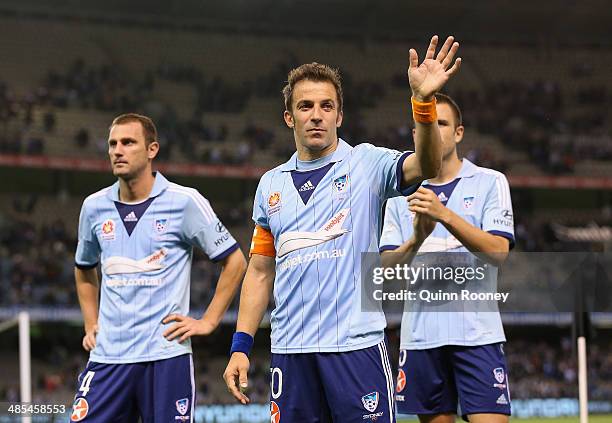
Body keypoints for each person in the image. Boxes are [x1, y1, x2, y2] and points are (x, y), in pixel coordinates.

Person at [223, 35, 461, 422]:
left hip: (355, 349)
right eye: (305, 106)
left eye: (326, 106)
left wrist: (423, 103)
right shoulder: (271, 185)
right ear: (289, 117)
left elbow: (428, 166)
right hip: (291, 351)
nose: (316, 114)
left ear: (339, 115)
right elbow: (260, 271)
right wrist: (240, 346)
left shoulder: (367, 164)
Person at [70, 113, 247, 422]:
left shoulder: (185, 201)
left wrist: (209, 321)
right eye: (113, 143)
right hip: (109, 358)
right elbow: (84, 268)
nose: (117, 150)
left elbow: (234, 260)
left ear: (152, 149)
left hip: (166, 358)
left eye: (128, 142)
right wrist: (90, 323)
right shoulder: (93, 206)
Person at [379, 94, 514, 423]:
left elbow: (498, 253)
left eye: (442, 123)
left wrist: (444, 215)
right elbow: (386, 272)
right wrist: (417, 239)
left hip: (477, 335)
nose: (434, 130)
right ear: (415, 135)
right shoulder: (399, 196)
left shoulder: (490, 182)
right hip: (422, 337)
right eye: (426, 124)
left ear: (459, 132)